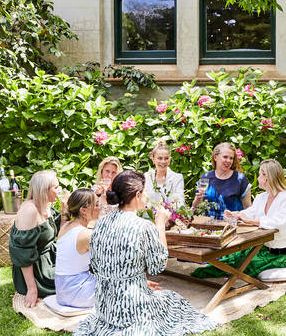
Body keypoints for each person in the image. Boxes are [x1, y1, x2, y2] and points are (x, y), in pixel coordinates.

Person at [74, 171, 215, 336]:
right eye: (145, 191)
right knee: (172, 300)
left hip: (105, 306)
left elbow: (99, 265)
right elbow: (158, 266)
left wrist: (137, 280)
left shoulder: (100, 222)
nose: (147, 195)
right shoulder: (143, 226)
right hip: (131, 307)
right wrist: (160, 223)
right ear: (138, 195)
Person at [192, 159, 286, 278]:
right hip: (265, 250)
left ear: (266, 177)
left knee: (237, 267)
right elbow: (250, 213)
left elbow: (280, 224)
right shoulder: (262, 197)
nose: (257, 178)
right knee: (231, 259)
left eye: (259, 174)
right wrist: (235, 214)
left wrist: (250, 221)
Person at [9, 170, 64, 308]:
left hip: (50, 258)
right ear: (44, 190)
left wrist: (65, 211)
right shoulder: (29, 210)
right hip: (37, 271)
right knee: (73, 282)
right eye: (56, 187)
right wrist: (32, 289)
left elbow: (61, 234)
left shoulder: (45, 204)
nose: (59, 190)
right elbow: (22, 253)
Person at [55, 189, 99, 308]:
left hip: (62, 292)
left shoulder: (65, 226)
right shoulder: (85, 235)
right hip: (78, 294)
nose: (99, 208)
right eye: (96, 205)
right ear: (83, 211)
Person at [191, 142, 251, 220]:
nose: (228, 161)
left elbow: (248, 209)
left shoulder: (239, 179)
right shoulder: (206, 177)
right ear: (215, 157)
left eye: (231, 158)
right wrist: (196, 201)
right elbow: (197, 208)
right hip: (208, 227)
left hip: (231, 227)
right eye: (225, 157)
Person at [143, 141, 185, 208]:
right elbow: (143, 201)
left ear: (170, 160)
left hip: (171, 216)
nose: (163, 162)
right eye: (159, 158)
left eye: (166, 158)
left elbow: (180, 203)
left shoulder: (177, 178)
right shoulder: (147, 177)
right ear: (153, 159)